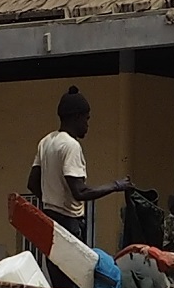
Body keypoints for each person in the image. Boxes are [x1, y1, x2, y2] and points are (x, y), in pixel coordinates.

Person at [35, 88, 132, 250]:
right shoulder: (71, 146)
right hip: (69, 224)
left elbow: (32, 183)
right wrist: (117, 185)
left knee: (56, 274)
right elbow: (80, 192)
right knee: (73, 274)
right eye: (86, 119)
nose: (87, 125)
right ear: (76, 117)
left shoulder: (46, 142)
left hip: (50, 221)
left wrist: (51, 200)